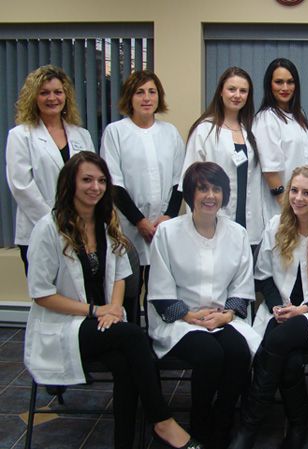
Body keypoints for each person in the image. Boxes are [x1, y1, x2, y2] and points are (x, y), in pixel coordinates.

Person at [24, 151, 200, 449]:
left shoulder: (105, 224)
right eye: (87, 180)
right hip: (65, 326)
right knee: (134, 337)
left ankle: (125, 442)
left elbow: (120, 275)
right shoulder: (48, 228)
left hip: (104, 322)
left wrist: (115, 308)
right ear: (70, 183)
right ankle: (162, 421)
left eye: (102, 181)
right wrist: (97, 310)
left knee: (126, 364)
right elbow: (41, 294)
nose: (95, 187)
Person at [229, 165, 308, 449]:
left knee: (277, 341)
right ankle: (298, 425)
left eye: (307, 193)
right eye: (294, 190)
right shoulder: (276, 226)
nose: (298, 198)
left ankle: (248, 427)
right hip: (280, 312)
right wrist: (278, 307)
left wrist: (301, 311)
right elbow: (263, 277)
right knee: (290, 361)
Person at [147, 162, 261, 449]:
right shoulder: (167, 232)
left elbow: (242, 284)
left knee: (238, 352)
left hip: (222, 316)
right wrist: (188, 315)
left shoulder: (237, 233)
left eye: (216, 189)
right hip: (179, 321)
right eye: (202, 189)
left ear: (224, 194)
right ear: (190, 194)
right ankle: (199, 424)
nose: (210, 196)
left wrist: (227, 315)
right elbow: (160, 287)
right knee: (210, 354)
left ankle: (222, 423)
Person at [100, 70, 185, 313]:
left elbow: (179, 179)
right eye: (140, 92)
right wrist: (139, 221)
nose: (146, 98)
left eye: (152, 92)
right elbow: (114, 183)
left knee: (160, 289)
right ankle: (132, 330)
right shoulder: (116, 132)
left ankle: (156, 333)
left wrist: (168, 216)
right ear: (130, 97)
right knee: (130, 289)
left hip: (163, 225)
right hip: (129, 226)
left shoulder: (170, 132)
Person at [6, 65, 94, 274]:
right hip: (38, 228)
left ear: (66, 96)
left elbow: (93, 179)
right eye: (44, 93)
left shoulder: (81, 135)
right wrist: (56, 223)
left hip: (80, 229)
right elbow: (21, 186)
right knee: (46, 289)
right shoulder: (21, 135)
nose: (52, 98)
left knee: (81, 289)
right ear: (33, 97)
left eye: (57, 92)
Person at [182, 67, 264, 248]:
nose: (237, 95)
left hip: (250, 224)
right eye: (232, 89)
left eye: (243, 91)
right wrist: (196, 227)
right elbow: (190, 183)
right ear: (221, 91)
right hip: (213, 221)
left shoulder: (251, 130)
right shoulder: (204, 130)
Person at [254, 58, 308, 221]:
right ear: (269, 85)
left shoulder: (298, 115)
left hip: (301, 204)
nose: (285, 88)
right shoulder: (266, 118)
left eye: (290, 82)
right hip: (282, 208)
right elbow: (271, 172)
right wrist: (288, 209)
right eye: (279, 82)